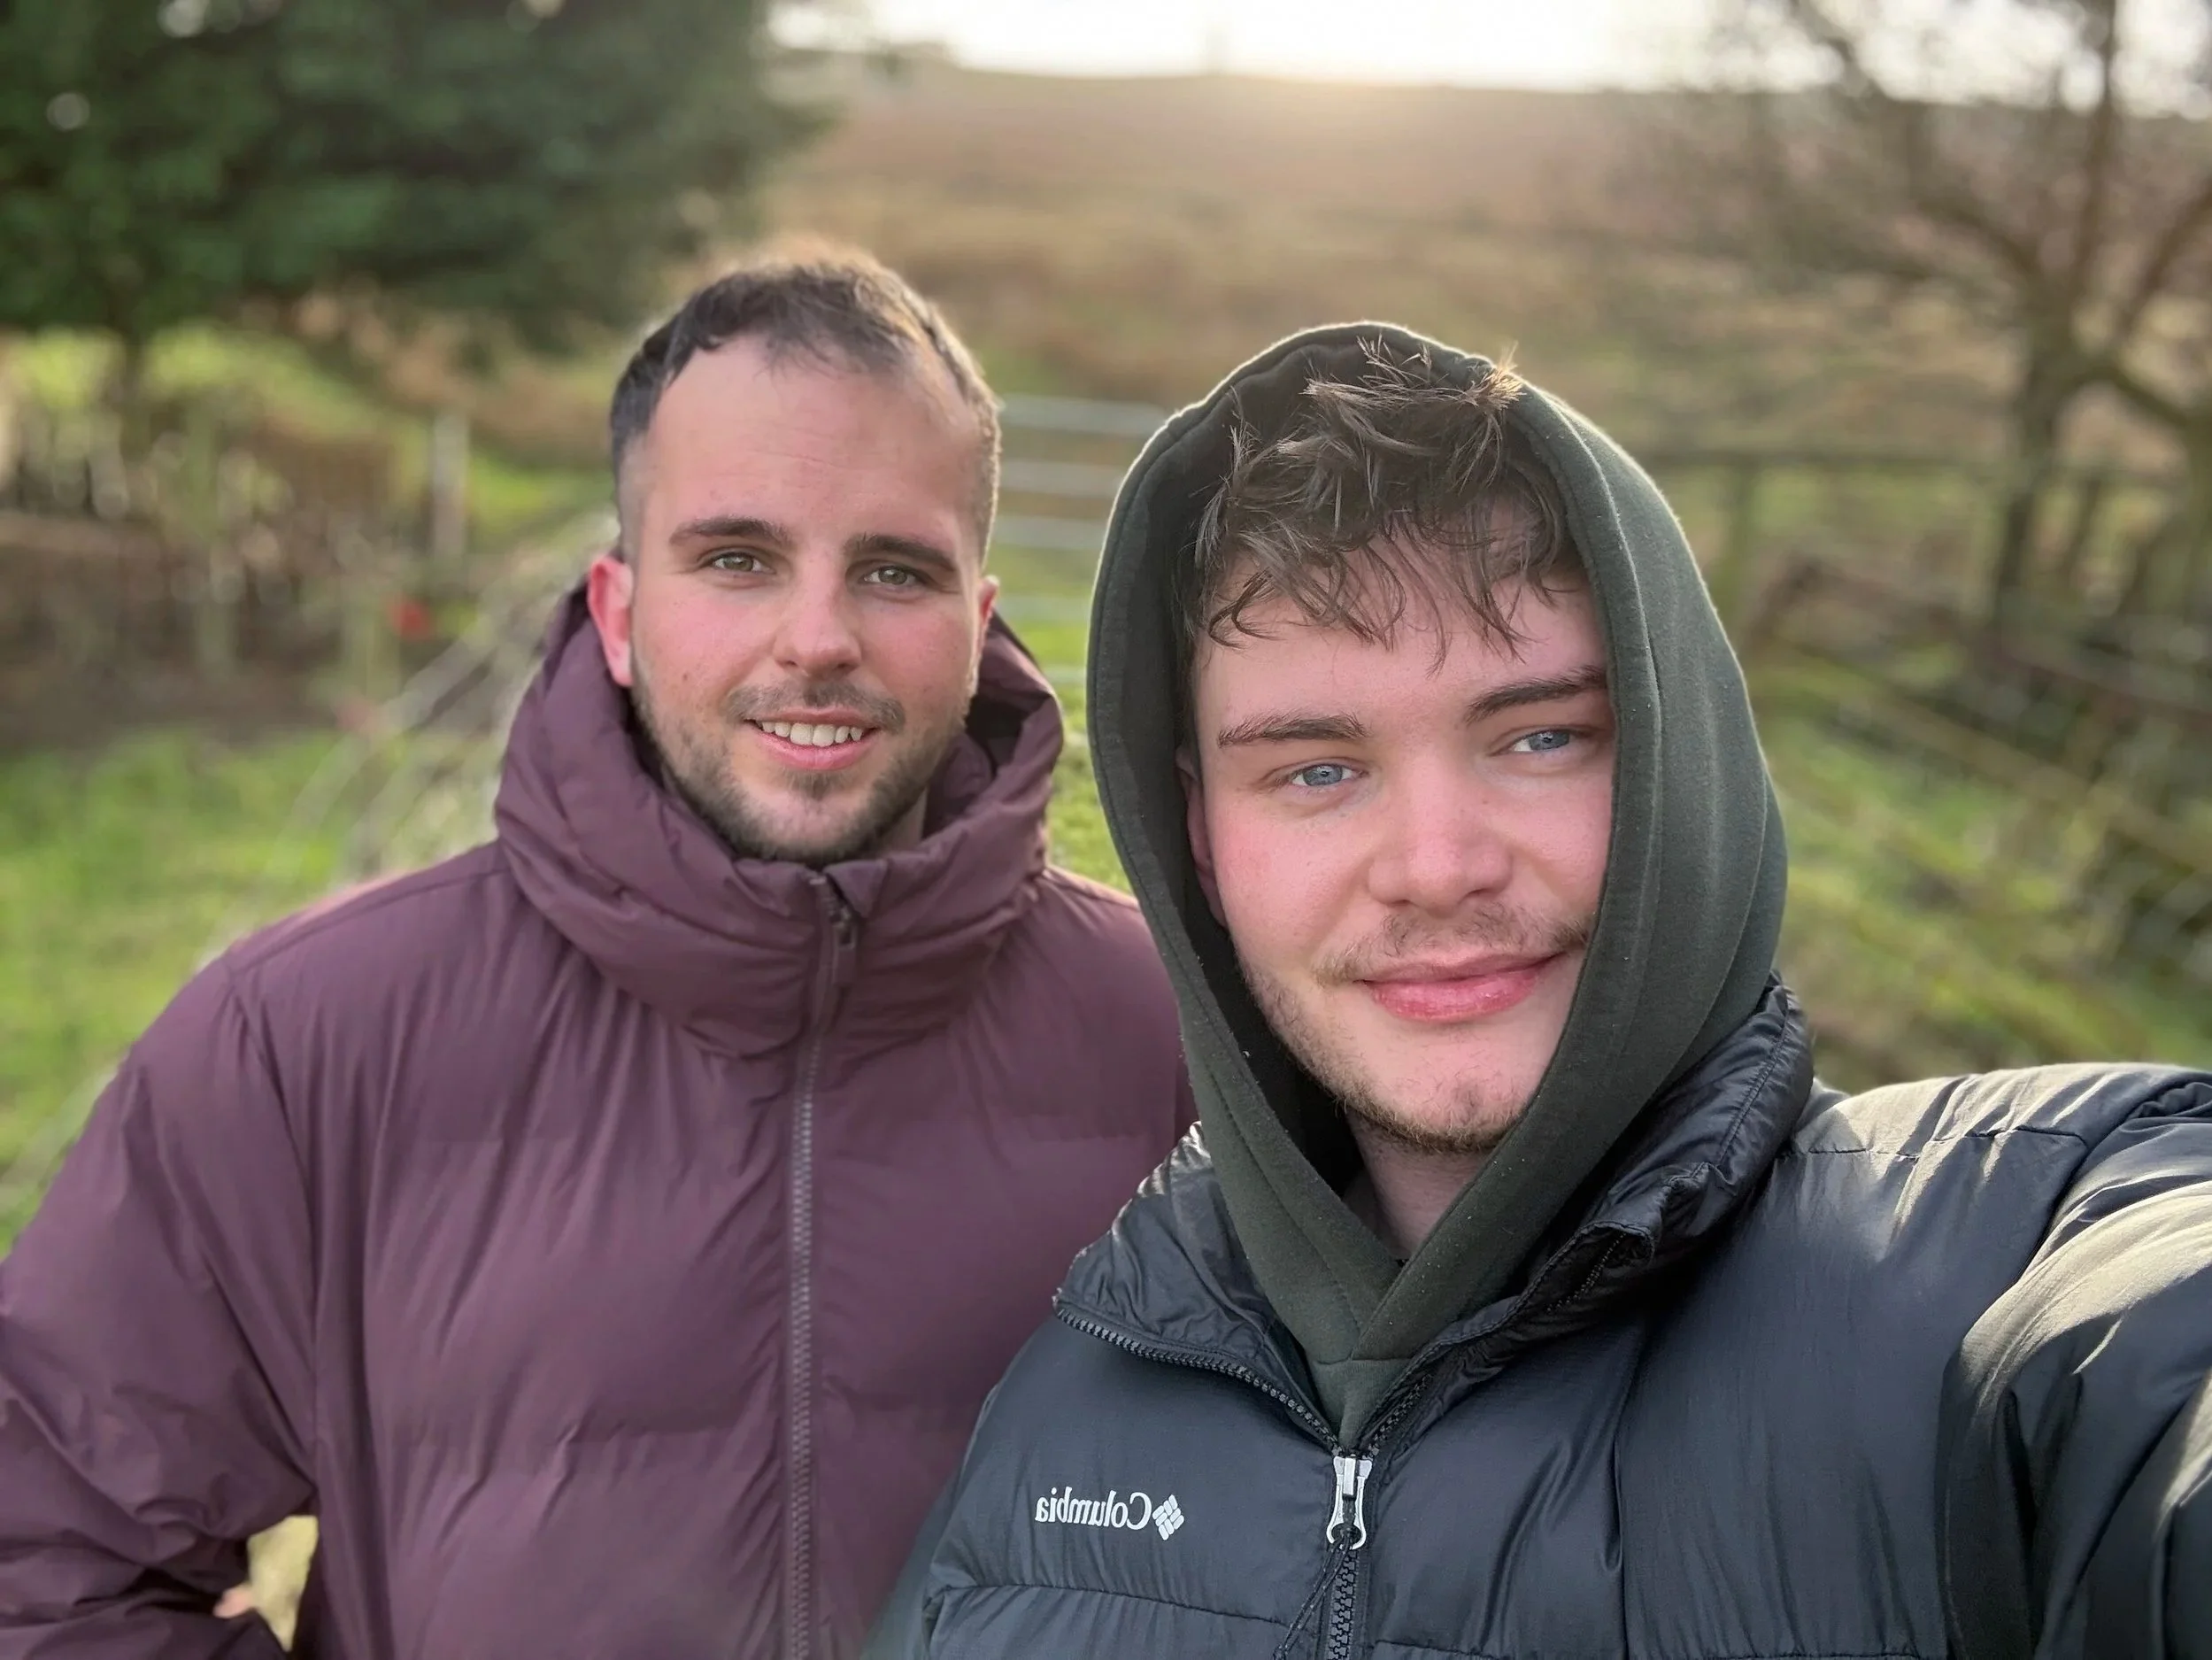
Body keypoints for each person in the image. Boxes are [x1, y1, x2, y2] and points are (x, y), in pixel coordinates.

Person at [868, 326, 2212, 1658]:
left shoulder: (1989, 1264)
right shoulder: (1074, 1389)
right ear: (1200, 838)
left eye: (1541, 737)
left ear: (1678, 764)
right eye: (1316, 769)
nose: (1437, 865)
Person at [0, 251, 1191, 1659]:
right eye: (737, 559)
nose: (816, 638)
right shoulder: (304, 1039)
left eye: (893, 568)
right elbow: (50, 1569)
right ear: (620, 613)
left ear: (976, 624)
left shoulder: (1176, 1046)